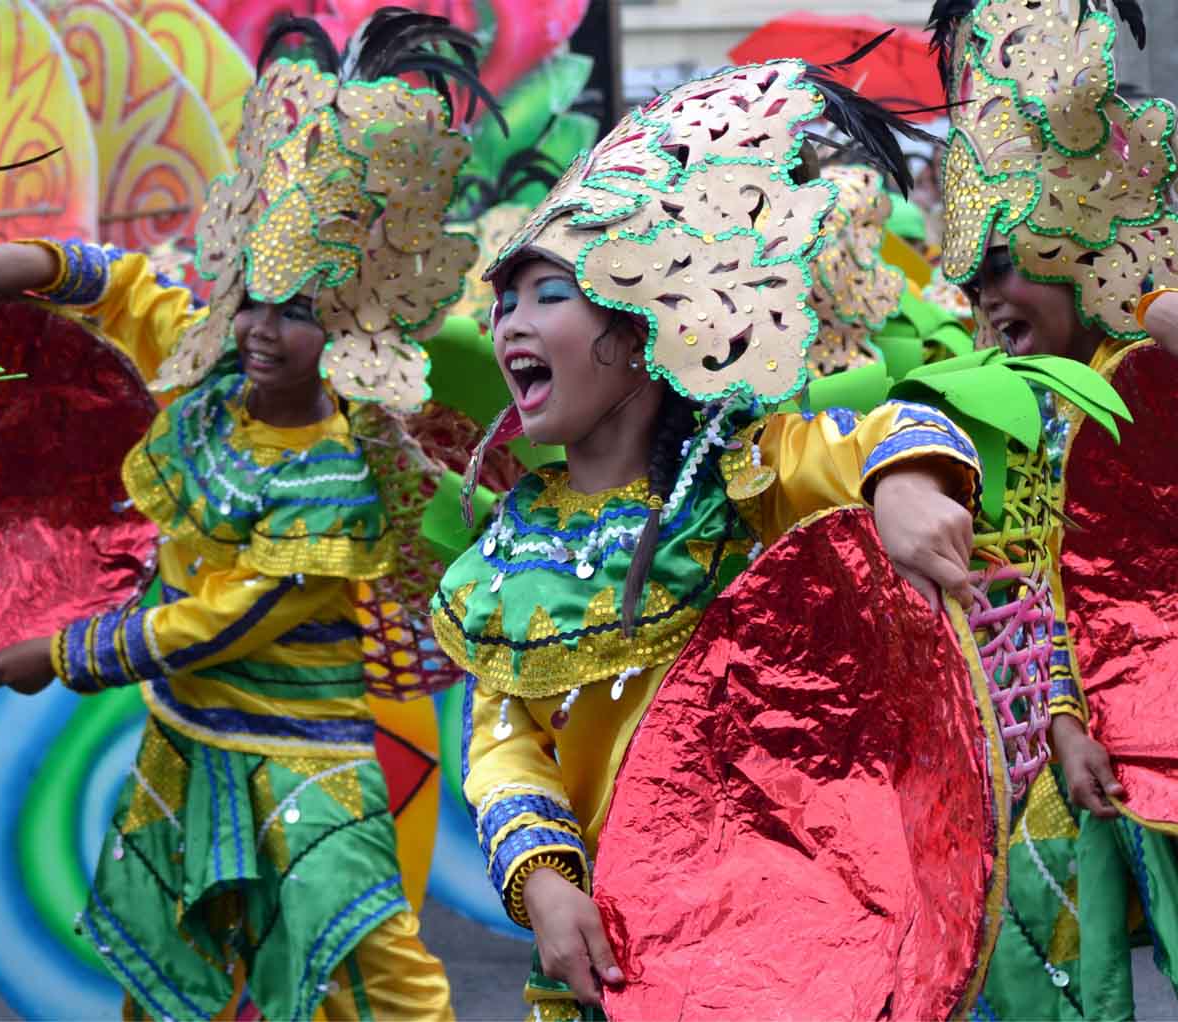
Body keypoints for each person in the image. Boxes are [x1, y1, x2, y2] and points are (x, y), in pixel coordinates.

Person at [431, 61, 992, 1018]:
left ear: (644, 323)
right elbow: (504, 741)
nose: (510, 323)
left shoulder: (744, 474)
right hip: (608, 953)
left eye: (547, 294)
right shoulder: (509, 553)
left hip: (785, 938)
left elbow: (886, 432)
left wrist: (902, 486)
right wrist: (546, 881)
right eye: (505, 301)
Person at [0, 12, 494, 1019]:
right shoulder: (206, 378)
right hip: (187, 736)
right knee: (168, 964)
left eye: (293, 311)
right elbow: (134, 297)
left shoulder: (330, 470)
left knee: (368, 955)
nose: (258, 327)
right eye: (251, 298)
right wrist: (42, 264)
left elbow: (232, 617)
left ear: (340, 326)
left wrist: (68, 655)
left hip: (303, 750)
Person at [930, 0, 1178, 1015]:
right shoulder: (967, 401)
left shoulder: (1147, 381)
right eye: (972, 270)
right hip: (1038, 762)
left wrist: (1139, 291)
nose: (987, 294)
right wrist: (1066, 716)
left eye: (1013, 260)